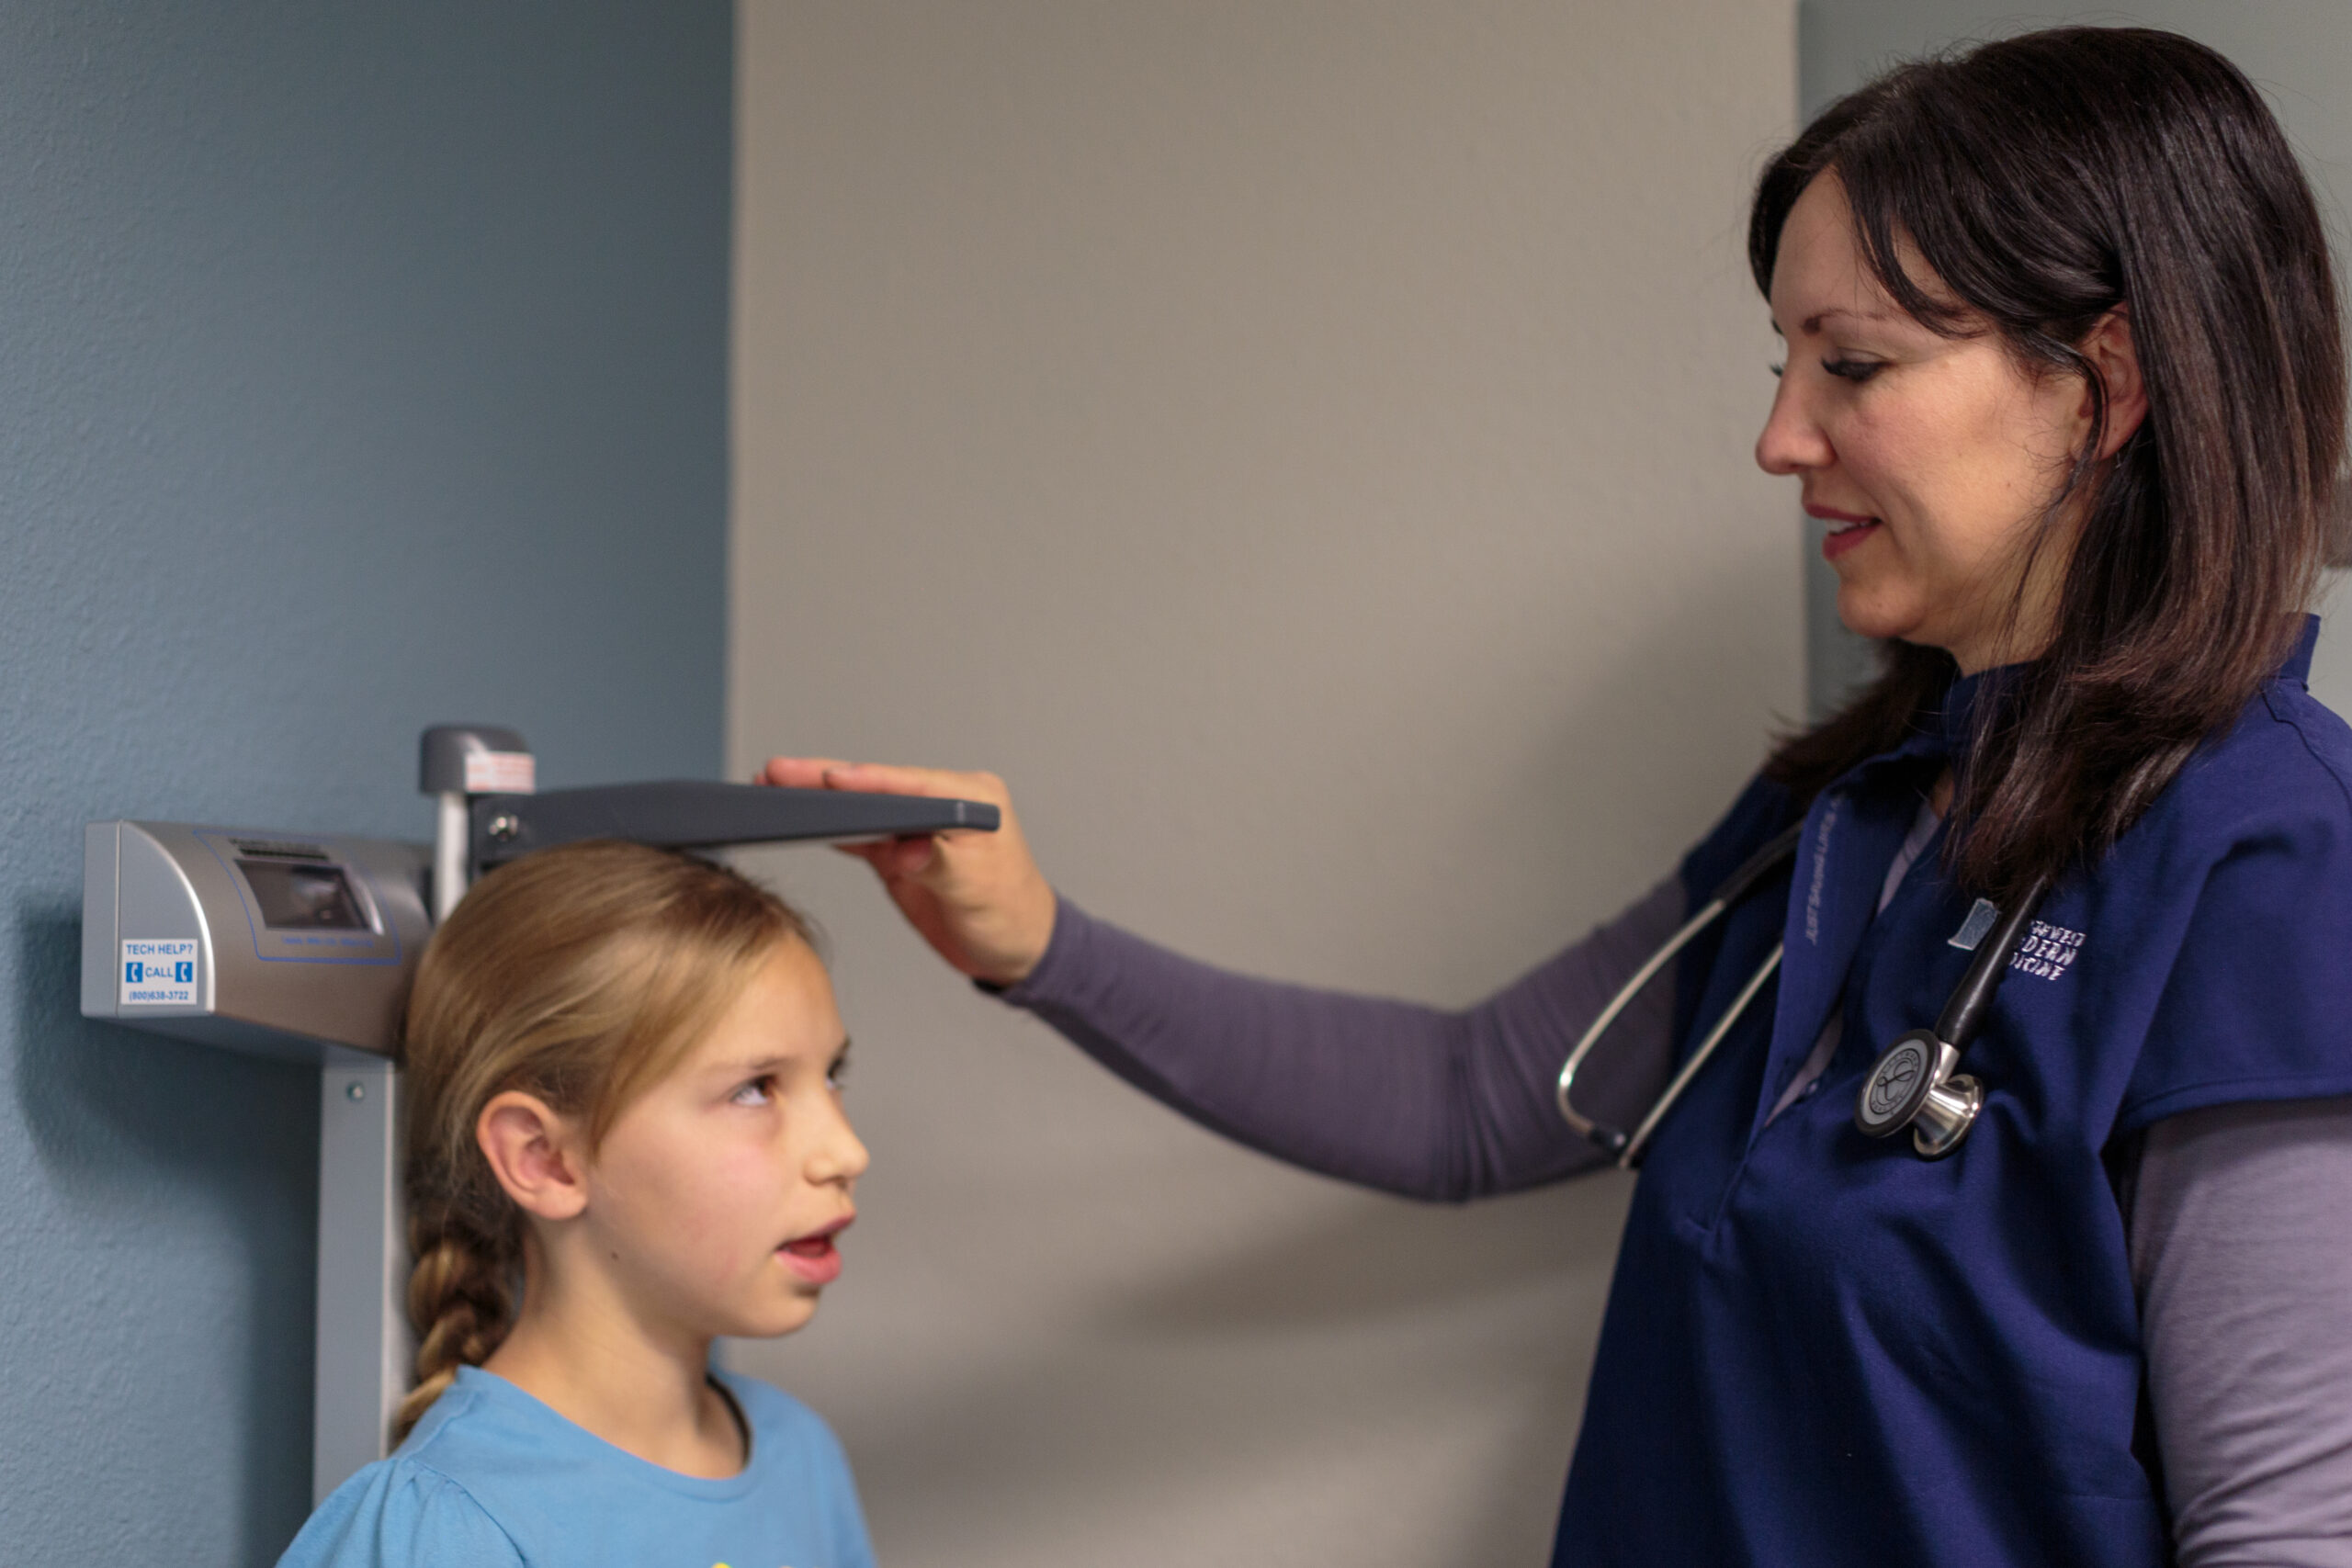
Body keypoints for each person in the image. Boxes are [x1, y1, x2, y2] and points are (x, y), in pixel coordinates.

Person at [759, 27, 2352, 1568]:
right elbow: (1471, 1100)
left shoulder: (2265, 866)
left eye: (1854, 364)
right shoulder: (1848, 819)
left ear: (2106, 386)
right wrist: (1032, 936)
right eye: (1786, 363)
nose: (1778, 436)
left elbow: (2290, 1528)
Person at [278, 841, 876, 1568]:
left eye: (832, 1074)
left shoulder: (800, 1459)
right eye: (755, 1087)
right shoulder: (447, 1528)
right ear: (544, 1158)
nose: (845, 1150)